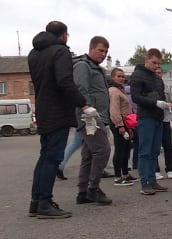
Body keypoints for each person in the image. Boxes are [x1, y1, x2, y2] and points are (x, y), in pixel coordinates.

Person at [27, 21, 91, 218]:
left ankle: (36, 202)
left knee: (45, 156)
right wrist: (82, 103)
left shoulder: (34, 53)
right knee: (53, 158)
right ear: (63, 35)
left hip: (43, 110)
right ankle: (45, 203)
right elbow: (64, 81)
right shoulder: (60, 51)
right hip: (57, 112)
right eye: (67, 35)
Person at [73, 36, 112, 205]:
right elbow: (81, 89)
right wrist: (87, 108)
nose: (103, 54)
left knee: (89, 153)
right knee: (103, 149)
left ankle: (83, 192)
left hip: (97, 115)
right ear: (91, 48)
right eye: (100, 50)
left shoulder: (97, 68)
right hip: (89, 115)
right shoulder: (83, 66)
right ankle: (93, 189)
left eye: (105, 52)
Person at [130, 48, 172, 195]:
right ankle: (145, 183)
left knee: (154, 151)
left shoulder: (156, 78)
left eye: (158, 64)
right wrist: (154, 103)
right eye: (154, 62)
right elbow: (136, 97)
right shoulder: (137, 75)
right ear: (147, 59)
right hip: (146, 116)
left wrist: (165, 105)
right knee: (145, 151)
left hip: (158, 117)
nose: (156, 66)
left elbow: (161, 95)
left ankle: (152, 180)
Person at [109, 67, 138, 186]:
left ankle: (125, 174)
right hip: (118, 122)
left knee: (126, 149)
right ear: (113, 77)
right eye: (118, 76)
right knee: (120, 149)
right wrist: (120, 125)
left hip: (126, 123)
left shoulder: (121, 90)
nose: (121, 78)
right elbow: (114, 109)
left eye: (123, 76)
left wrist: (129, 127)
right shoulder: (113, 91)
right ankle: (117, 176)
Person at [155, 66, 172, 180]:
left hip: (166, 120)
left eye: (160, 72)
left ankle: (170, 169)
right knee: (155, 146)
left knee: (168, 146)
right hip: (155, 120)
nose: (158, 74)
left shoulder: (166, 88)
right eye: (156, 72)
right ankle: (155, 170)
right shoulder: (150, 87)